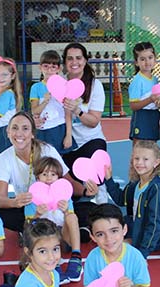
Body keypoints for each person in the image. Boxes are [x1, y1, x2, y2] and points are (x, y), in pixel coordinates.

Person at [0, 111, 94, 233]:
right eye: (14, 128)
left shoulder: (47, 150)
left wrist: (85, 191)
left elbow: (68, 181)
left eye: (25, 128)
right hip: (31, 209)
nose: (19, 133)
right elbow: (0, 198)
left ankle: (46, 229)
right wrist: (14, 202)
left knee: (91, 209)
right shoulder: (3, 158)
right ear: (8, 132)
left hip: (57, 207)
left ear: (32, 134)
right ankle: (60, 230)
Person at [83, 204, 159, 287]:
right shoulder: (93, 258)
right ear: (92, 237)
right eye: (100, 234)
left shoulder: (135, 256)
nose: (109, 239)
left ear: (124, 230)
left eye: (114, 231)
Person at [60, 43, 108, 203]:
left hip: (90, 142)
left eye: (79, 58)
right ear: (65, 62)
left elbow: (93, 122)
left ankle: (101, 191)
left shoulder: (95, 86)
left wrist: (77, 110)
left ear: (86, 60)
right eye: (70, 58)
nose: (74, 62)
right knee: (72, 193)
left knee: (95, 184)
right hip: (66, 145)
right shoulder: (58, 85)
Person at [104, 140, 160, 258]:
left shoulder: (157, 189)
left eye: (145, 159)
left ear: (156, 162)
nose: (140, 163)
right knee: (103, 230)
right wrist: (109, 179)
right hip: (135, 226)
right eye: (136, 158)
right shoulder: (135, 183)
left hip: (149, 237)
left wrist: (142, 253)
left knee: (112, 247)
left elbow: (154, 224)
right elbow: (120, 199)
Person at [25, 157, 82, 284]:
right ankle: (53, 264)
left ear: (59, 178)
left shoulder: (65, 196)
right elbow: (28, 226)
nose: (49, 178)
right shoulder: (32, 198)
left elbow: (71, 219)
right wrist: (37, 214)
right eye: (44, 174)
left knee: (72, 217)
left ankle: (76, 257)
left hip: (63, 238)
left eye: (53, 174)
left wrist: (66, 211)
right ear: (38, 178)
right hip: (45, 240)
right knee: (39, 224)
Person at [29, 50, 75, 155]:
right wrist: (45, 101)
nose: (49, 70)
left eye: (53, 67)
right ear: (40, 67)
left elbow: (68, 113)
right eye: (45, 66)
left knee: (60, 162)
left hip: (59, 130)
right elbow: (35, 111)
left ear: (58, 69)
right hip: (42, 131)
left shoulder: (64, 86)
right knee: (43, 161)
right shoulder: (36, 87)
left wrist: (68, 135)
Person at [128, 42, 160, 143]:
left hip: (154, 116)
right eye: (142, 59)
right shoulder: (137, 81)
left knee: (152, 150)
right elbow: (133, 106)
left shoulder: (155, 80)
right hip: (141, 117)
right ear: (136, 62)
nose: (147, 62)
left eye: (150, 57)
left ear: (155, 59)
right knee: (139, 150)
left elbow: (157, 101)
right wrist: (150, 99)